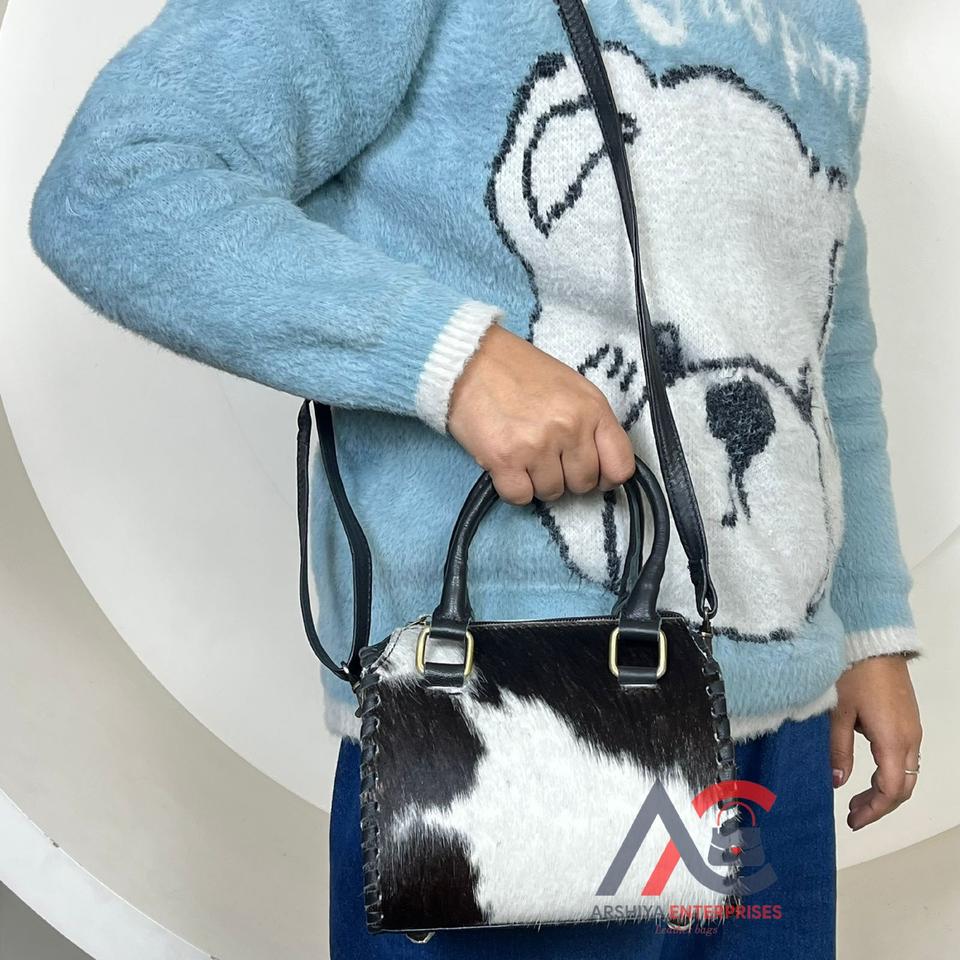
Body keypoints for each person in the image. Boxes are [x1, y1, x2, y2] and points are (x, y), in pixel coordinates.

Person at [29, 1, 923, 957]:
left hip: (783, 723)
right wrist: (457, 362)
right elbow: (119, 183)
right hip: (514, 717)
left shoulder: (825, 19)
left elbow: (823, 344)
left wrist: (867, 627)